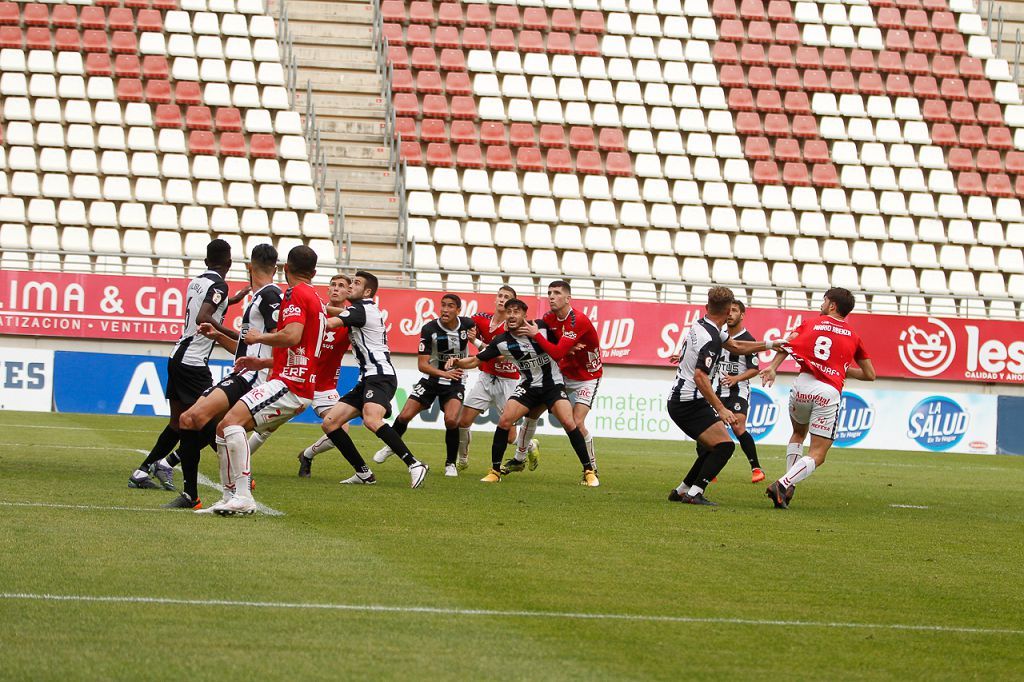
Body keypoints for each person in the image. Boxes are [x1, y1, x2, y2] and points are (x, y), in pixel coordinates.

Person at [208, 245, 327, 516]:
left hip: (291, 384)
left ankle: (243, 495)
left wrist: (257, 338)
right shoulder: (317, 299)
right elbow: (301, 349)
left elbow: (292, 336)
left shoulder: (296, 293)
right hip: (296, 380)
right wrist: (260, 361)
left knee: (230, 423)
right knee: (224, 428)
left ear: (286, 269)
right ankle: (230, 497)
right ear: (314, 272)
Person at [163, 244, 281, 509]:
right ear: (275, 268)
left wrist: (266, 367)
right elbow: (246, 348)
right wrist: (218, 336)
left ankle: (218, 494)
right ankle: (200, 494)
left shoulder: (271, 296)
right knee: (198, 422)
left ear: (248, 267)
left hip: (252, 379)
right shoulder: (258, 298)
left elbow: (282, 341)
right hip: (243, 373)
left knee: (192, 418)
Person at [127, 239, 243, 490]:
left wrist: (234, 300)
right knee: (210, 421)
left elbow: (206, 305)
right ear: (230, 263)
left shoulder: (197, 281)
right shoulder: (220, 284)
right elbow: (204, 316)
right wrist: (237, 336)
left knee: (177, 423)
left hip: (177, 356)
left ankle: (141, 472)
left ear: (206, 261)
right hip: (193, 363)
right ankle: (231, 474)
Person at [447, 298, 599, 487]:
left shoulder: (541, 328)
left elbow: (560, 343)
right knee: (504, 421)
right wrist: (458, 362)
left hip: (553, 385)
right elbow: (476, 360)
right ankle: (495, 471)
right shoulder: (501, 342)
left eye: (516, 311)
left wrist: (569, 347)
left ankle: (588, 471)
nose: (511, 315)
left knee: (570, 422)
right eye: (509, 312)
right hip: (528, 386)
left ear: (524, 315)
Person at [760, 287, 875, 509]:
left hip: (801, 385)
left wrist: (773, 367)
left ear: (832, 305)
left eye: (824, 301)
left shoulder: (809, 324)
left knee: (797, 434)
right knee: (818, 454)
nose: (821, 305)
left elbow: (787, 343)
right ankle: (783, 484)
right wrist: (840, 368)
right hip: (827, 392)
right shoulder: (854, 336)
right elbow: (870, 374)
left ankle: (787, 488)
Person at [666, 287, 778, 506]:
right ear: (728, 312)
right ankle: (695, 493)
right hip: (688, 403)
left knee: (715, 446)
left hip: (685, 400)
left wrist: (772, 345)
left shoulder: (703, 324)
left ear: (708, 307)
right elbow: (700, 376)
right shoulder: (711, 339)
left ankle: (682, 491)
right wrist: (721, 408)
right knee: (725, 446)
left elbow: (736, 345)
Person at [319, 271, 430, 488]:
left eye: (356, 283)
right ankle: (363, 473)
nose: (350, 286)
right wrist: (318, 308)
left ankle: (414, 464)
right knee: (330, 423)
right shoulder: (361, 309)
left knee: (371, 419)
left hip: (380, 376)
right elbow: (338, 311)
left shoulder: (361, 309)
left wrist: (306, 313)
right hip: (368, 378)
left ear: (367, 291)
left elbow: (330, 323)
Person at [507, 280, 603, 475]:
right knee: (532, 412)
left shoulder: (578, 320)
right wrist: (562, 345)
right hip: (562, 373)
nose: (551, 296)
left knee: (576, 423)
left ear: (568, 298)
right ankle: (519, 458)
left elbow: (556, 352)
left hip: (587, 376)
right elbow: (554, 348)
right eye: (549, 292)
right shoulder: (548, 318)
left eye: (557, 293)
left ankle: (591, 467)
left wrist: (541, 337)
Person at [374, 293, 476, 477]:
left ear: (458, 310)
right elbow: (422, 365)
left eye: (450, 306)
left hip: (455, 381)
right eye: (443, 305)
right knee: (404, 416)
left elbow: (481, 344)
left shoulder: (468, 324)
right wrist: (444, 372)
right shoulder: (429, 329)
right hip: (431, 380)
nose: (445, 309)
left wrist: (475, 340)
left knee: (452, 420)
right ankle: (391, 447)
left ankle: (450, 464)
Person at [290, 273, 353, 478]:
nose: (336, 288)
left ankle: (307, 455)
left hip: (324, 387)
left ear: (348, 292)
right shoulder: (315, 311)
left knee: (341, 430)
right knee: (265, 427)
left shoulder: (351, 320)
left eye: (341, 285)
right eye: (333, 284)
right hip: (298, 379)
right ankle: (237, 463)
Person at [454, 285, 524, 471]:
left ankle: (529, 445)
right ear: (495, 299)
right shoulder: (480, 319)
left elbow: (499, 354)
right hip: (486, 378)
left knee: (509, 437)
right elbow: (462, 326)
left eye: (506, 297)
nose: (501, 299)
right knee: (463, 421)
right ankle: (463, 458)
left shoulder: (512, 328)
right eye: (500, 296)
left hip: (508, 382)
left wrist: (475, 341)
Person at [712, 300, 765, 484]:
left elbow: (755, 369)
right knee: (708, 428)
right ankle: (709, 470)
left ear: (742, 315)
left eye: (734, 310)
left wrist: (736, 378)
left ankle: (756, 468)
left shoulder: (748, 340)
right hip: (717, 391)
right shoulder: (720, 336)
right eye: (729, 310)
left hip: (738, 390)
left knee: (738, 426)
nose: (730, 314)